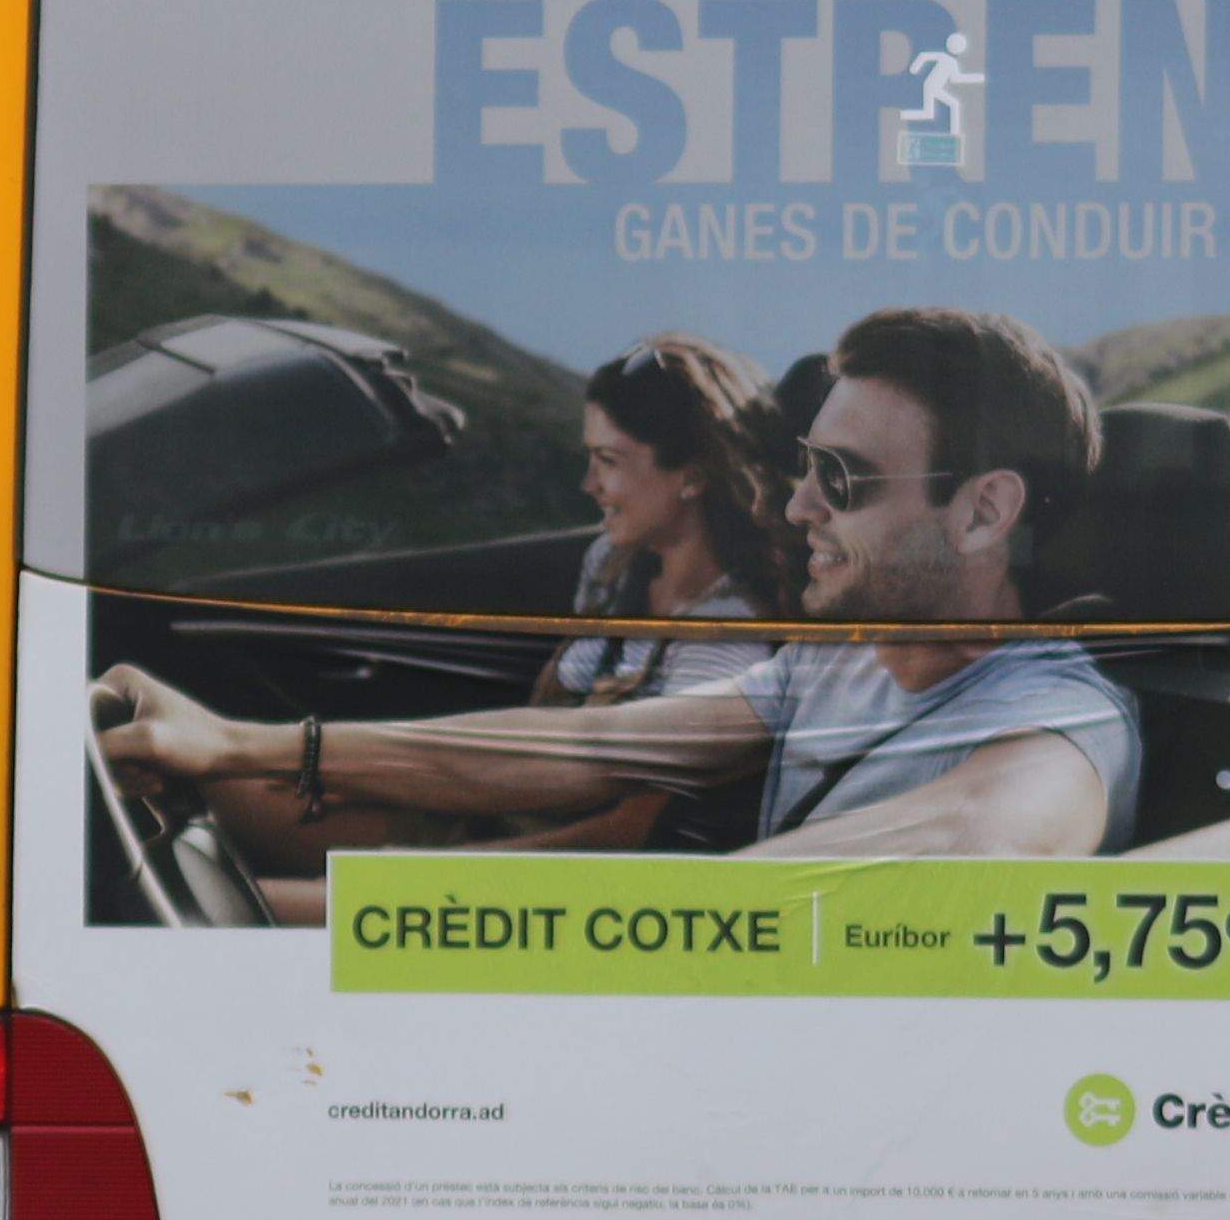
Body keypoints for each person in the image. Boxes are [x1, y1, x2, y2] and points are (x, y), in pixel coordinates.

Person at [94, 304, 1137, 864]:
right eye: (803, 470)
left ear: (987, 511)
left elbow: (980, 842)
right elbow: (592, 745)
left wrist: (412, 917)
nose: (798, 509)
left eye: (844, 480)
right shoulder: (839, 672)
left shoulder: (1058, 722)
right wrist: (234, 742)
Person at [540, 334, 801, 706]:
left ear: (692, 477)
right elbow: (548, 697)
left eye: (609, 460)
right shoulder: (610, 563)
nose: (588, 484)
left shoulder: (727, 634)